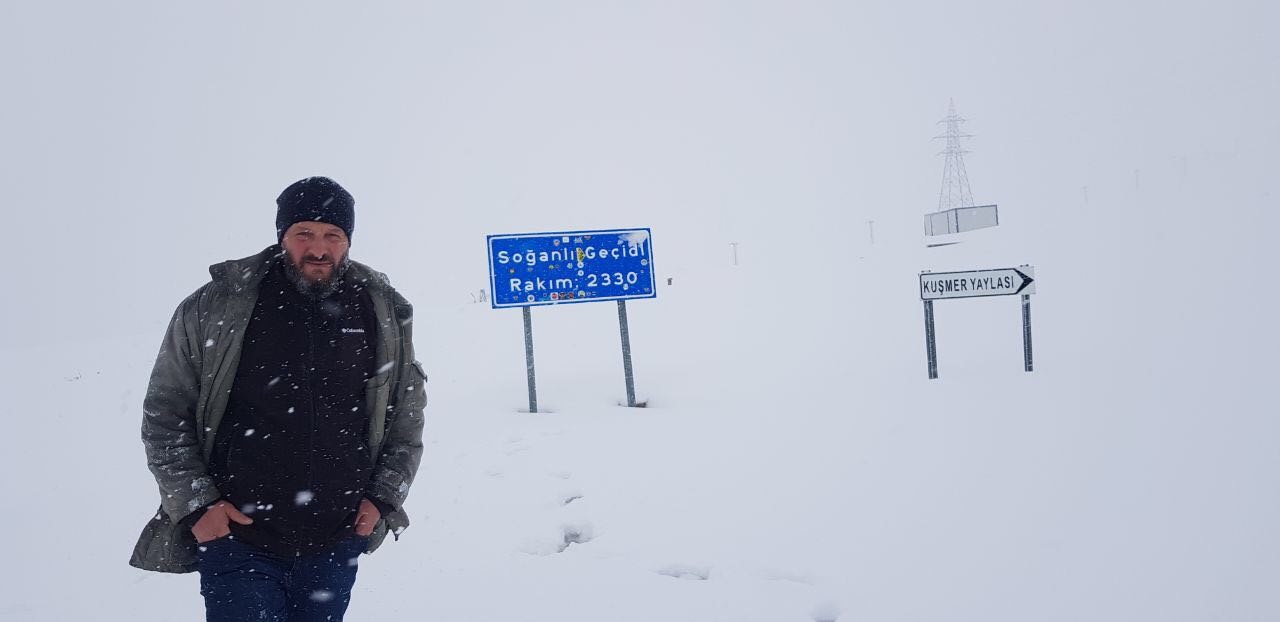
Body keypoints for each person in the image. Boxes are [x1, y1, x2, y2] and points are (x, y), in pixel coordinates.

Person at [130, 176, 426, 621]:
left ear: (348, 241)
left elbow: (406, 413)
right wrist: (198, 507)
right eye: (303, 233)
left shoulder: (379, 308)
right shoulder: (218, 306)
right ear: (281, 236)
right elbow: (165, 413)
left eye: (333, 235)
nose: (319, 248)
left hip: (335, 539)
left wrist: (382, 499)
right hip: (239, 539)